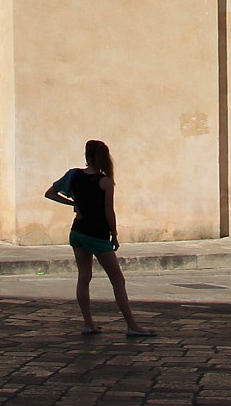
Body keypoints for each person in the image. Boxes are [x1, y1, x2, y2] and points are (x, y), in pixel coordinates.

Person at [45, 140, 149, 337]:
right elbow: (109, 212)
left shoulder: (73, 175)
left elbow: (50, 193)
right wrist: (115, 234)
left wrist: (73, 204)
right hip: (97, 233)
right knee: (117, 280)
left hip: (78, 231)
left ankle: (88, 323)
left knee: (84, 277)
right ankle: (132, 325)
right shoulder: (105, 182)